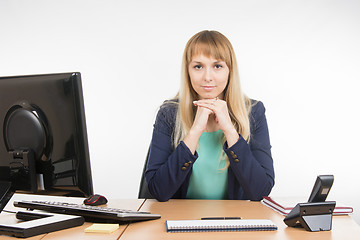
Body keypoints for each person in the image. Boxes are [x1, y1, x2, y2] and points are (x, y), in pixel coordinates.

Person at [145, 30, 274, 202]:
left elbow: (261, 191)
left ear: (230, 71)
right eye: (198, 66)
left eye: (217, 66)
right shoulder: (169, 113)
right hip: (180, 219)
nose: (207, 77)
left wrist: (230, 130)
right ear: (188, 71)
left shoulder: (253, 111)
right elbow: (158, 190)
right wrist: (195, 131)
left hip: (234, 222)